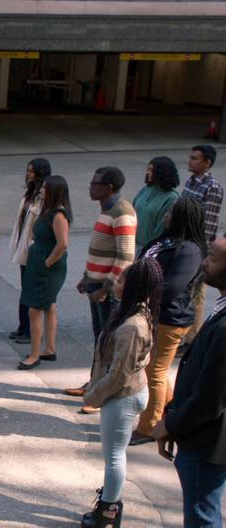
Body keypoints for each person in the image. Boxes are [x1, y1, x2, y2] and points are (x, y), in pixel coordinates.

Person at [80, 258, 162, 528]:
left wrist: (93, 396)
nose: (115, 282)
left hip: (123, 397)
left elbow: (118, 374)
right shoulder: (134, 313)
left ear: (133, 287)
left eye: (121, 279)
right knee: (114, 454)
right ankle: (109, 503)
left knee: (114, 456)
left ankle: (108, 513)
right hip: (125, 393)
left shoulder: (132, 326)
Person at [153, 237, 226, 528]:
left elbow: (209, 398)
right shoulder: (220, 308)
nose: (205, 262)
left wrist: (169, 424)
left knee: (202, 518)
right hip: (199, 435)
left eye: (212, 258)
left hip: (207, 444)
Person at [129, 197, 205, 446]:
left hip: (171, 318)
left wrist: (142, 291)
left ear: (182, 217)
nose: (166, 214)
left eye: (171, 211)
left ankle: (149, 427)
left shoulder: (190, 249)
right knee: (155, 370)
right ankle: (169, 408)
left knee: (155, 372)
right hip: (155, 314)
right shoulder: (168, 240)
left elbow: (174, 286)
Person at [65, 167, 136, 413]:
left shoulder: (122, 212)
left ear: (108, 187)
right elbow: (102, 250)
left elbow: (125, 257)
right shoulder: (107, 210)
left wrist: (106, 288)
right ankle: (94, 383)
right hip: (96, 285)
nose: (90, 187)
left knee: (108, 342)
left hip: (109, 290)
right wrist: (87, 277)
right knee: (100, 340)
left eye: (95, 183)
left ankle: (103, 395)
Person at [18, 175, 71, 370]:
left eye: (44, 188)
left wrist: (47, 262)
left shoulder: (58, 214)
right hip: (40, 263)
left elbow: (63, 244)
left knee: (34, 309)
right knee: (48, 306)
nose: (40, 190)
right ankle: (49, 348)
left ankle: (34, 354)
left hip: (48, 267)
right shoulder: (47, 210)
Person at [180, 145, 222, 352]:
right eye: (190, 157)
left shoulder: (212, 187)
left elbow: (209, 225)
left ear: (207, 163)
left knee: (196, 294)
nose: (190, 161)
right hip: (184, 243)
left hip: (198, 248)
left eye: (195, 158)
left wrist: (198, 252)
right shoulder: (191, 181)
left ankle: (191, 339)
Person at [9, 158, 50, 344]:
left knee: (31, 290)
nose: (28, 174)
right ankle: (22, 327)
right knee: (25, 288)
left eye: (31, 171)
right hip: (23, 245)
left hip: (33, 248)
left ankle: (30, 331)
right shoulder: (30, 193)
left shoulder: (45, 195)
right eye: (28, 170)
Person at [132, 156, 179, 253]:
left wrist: (148, 249)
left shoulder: (171, 197)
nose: (147, 172)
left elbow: (161, 228)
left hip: (148, 248)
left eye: (151, 170)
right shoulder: (145, 189)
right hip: (132, 243)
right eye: (148, 169)